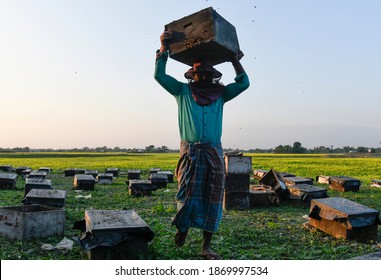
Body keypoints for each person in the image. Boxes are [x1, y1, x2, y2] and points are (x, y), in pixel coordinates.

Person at [154, 31, 250, 260]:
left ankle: (206, 246)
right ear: (192, 76)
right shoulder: (182, 91)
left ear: (213, 76)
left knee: (214, 196)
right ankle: (183, 228)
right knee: (186, 194)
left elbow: (244, 82)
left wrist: (235, 59)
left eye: (207, 74)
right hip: (191, 152)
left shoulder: (221, 95)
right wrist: (163, 47)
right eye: (199, 74)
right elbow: (159, 76)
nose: (203, 77)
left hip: (213, 152)